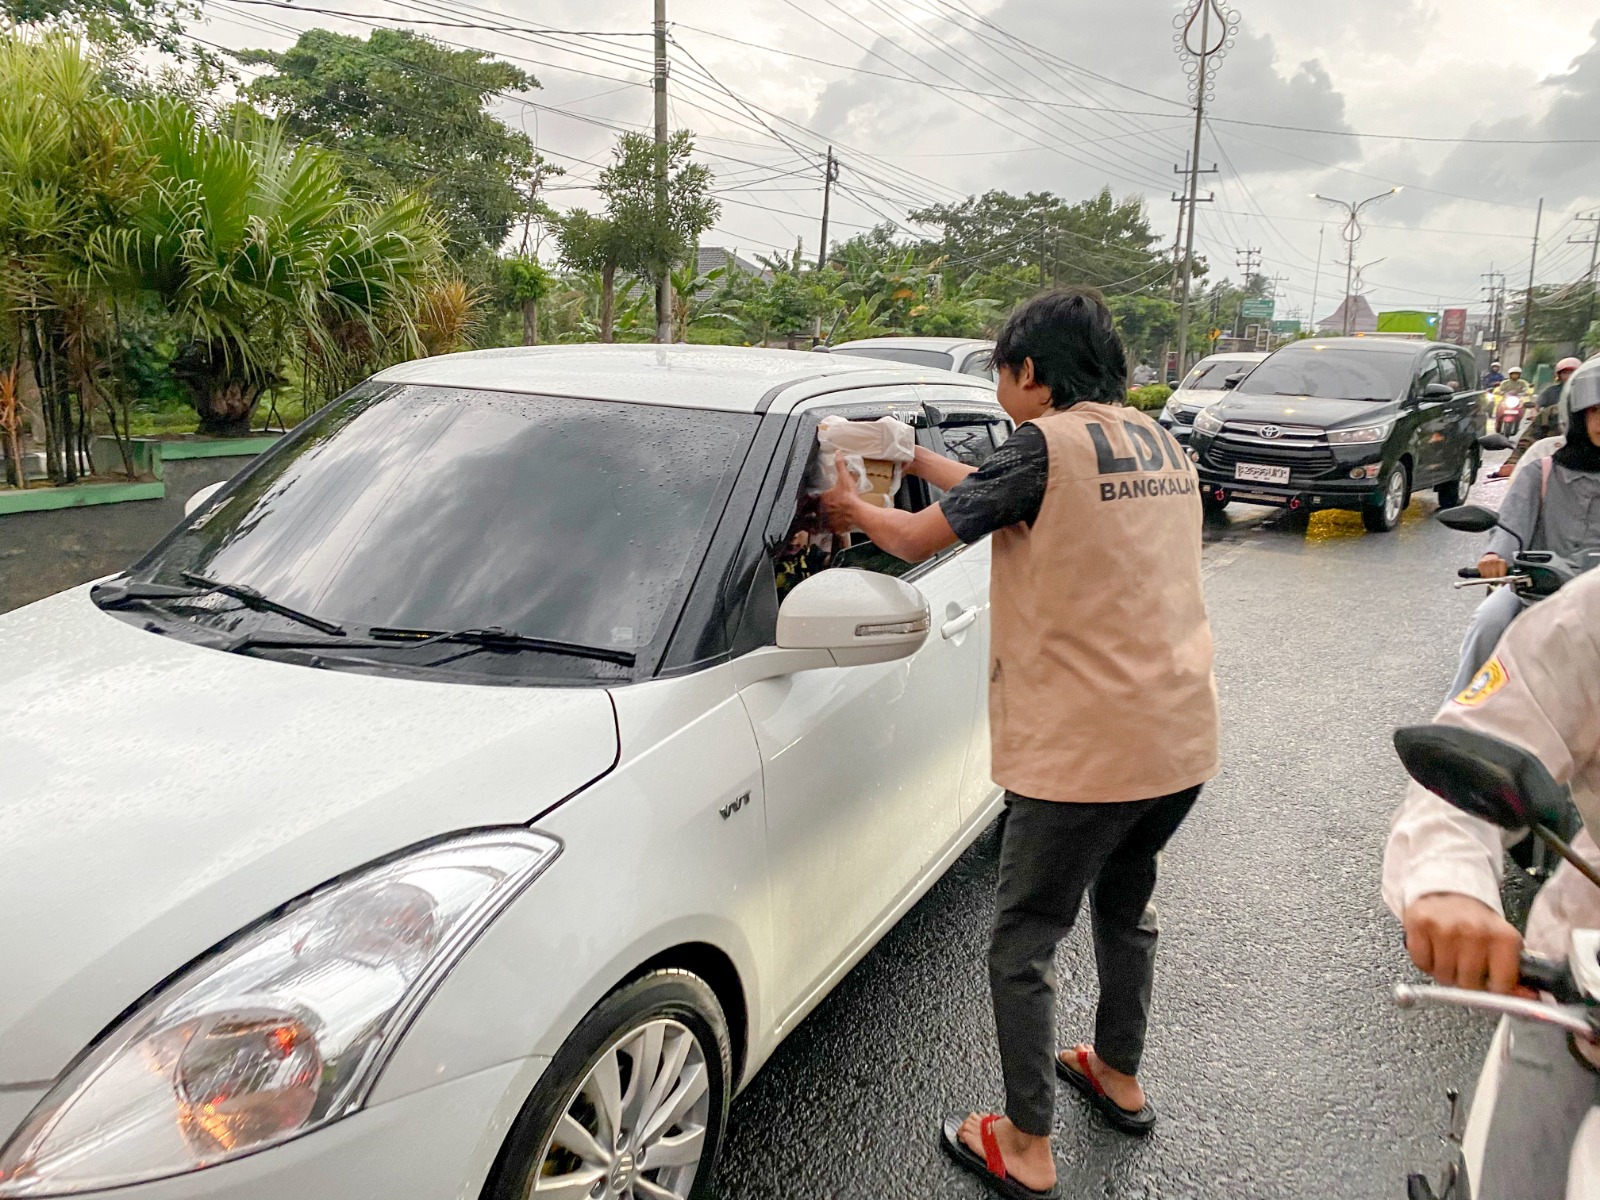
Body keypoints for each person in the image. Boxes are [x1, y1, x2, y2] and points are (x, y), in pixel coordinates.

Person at [819, 288, 1219, 1200]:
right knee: (1126, 905)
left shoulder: (1045, 445)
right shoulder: (1157, 442)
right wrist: (917, 454)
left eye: (1003, 374)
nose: (1003, 389)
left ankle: (1026, 1141)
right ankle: (1116, 1073)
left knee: (1025, 937)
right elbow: (1019, 498)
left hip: (1089, 748)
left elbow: (920, 534)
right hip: (1180, 736)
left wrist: (854, 510)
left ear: (1030, 374)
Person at [1382, 567, 1600, 1200]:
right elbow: (1480, 742)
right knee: (1486, 620)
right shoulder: (1587, 614)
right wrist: (1446, 883)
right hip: (1582, 997)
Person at [1447, 371, 1600, 698]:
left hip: (1595, 602)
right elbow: (1511, 528)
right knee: (1489, 620)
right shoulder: (1541, 471)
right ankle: (1457, 716)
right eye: (1596, 410)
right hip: (1534, 590)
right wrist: (1495, 556)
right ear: (1578, 415)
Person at [1493, 357, 1583, 477]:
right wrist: (1512, 464)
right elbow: (1528, 440)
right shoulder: (1550, 408)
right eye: (1566, 372)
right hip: (1552, 471)